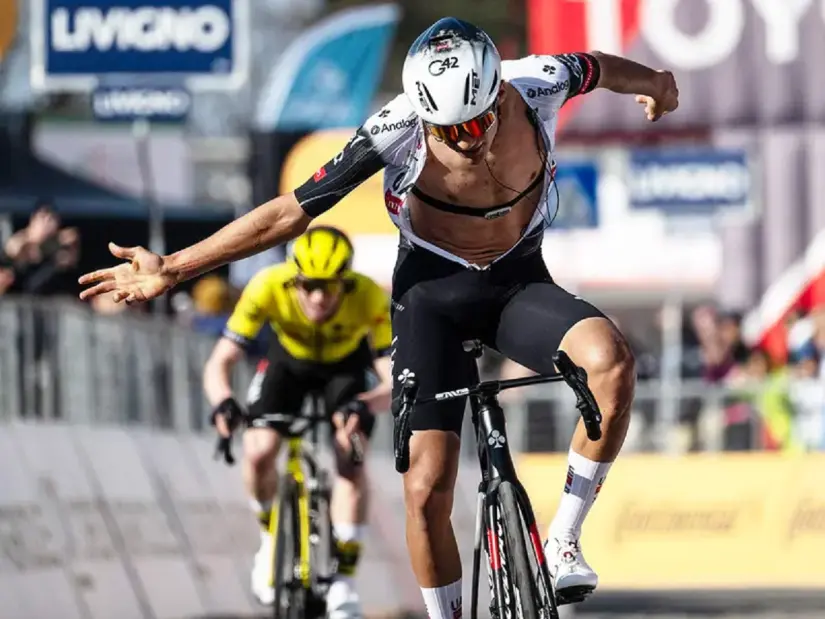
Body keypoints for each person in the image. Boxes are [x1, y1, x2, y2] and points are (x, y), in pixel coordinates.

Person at [77, 16, 679, 616]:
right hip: (431, 298)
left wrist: (653, 81)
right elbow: (287, 215)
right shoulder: (395, 129)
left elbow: (601, 67)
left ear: (498, 90)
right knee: (425, 490)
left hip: (518, 283)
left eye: (476, 119)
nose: (465, 137)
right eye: (448, 128)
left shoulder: (541, 79)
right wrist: (176, 266)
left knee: (610, 363)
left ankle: (564, 540)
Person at [204, 226, 392, 616]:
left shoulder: (370, 296)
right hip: (287, 364)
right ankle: (269, 535)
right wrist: (223, 403)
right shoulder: (266, 287)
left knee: (349, 458)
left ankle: (344, 579)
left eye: (330, 286)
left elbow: (393, 382)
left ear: (346, 281)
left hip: (345, 369)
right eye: (309, 286)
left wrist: (365, 405)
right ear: (294, 280)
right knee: (258, 452)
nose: (320, 297)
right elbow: (219, 361)